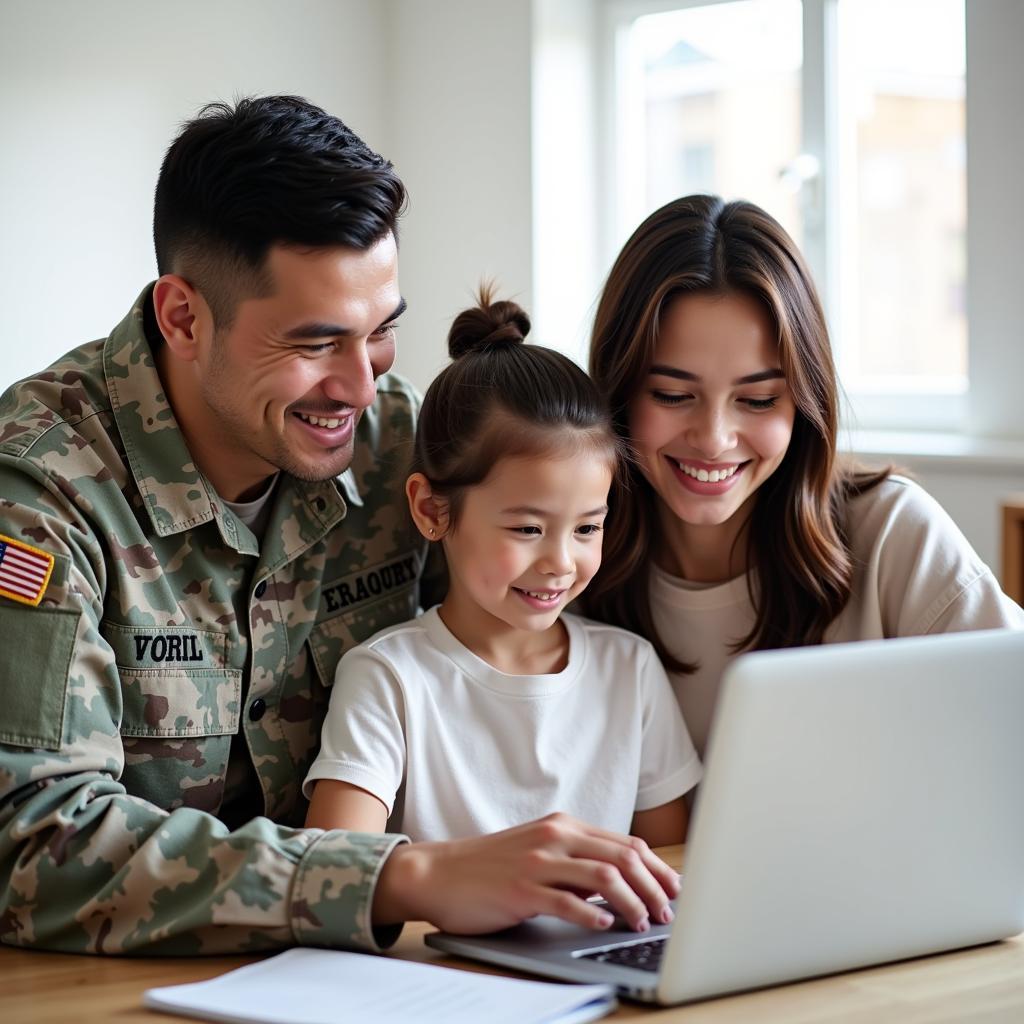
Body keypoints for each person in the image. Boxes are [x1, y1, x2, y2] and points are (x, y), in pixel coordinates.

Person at [0, 96, 679, 956]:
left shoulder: (399, 445)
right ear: (183, 317)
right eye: (317, 343)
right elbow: (32, 843)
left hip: (379, 976)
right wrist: (404, 877)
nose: (362, 387)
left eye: (382, 332)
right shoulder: (40, 495)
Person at [586, 194, 1024, 756]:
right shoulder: (563, 553)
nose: (715, 438)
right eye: (673, 394)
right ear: (618, 390)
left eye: (760, 399)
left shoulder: (891, 533)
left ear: (803, 401)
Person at [304, 292, 702, 878]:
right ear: (432, 510)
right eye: (527, 528)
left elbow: (671, 866)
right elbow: (329, 871)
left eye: (587, 526)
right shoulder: (389, 678)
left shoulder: (630, 670)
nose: (560, 562)